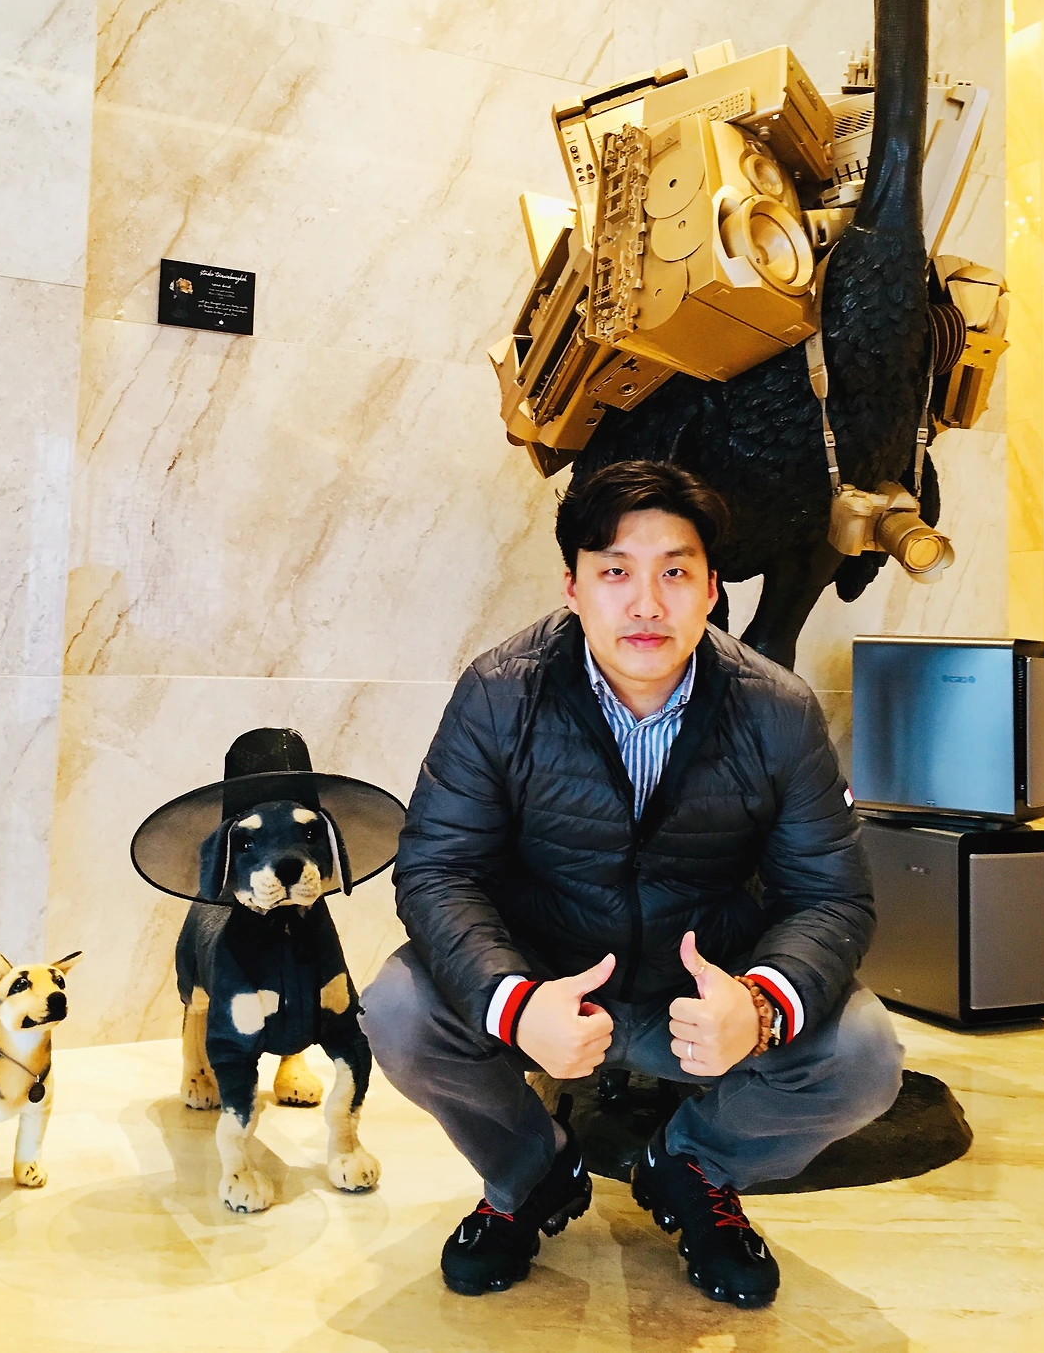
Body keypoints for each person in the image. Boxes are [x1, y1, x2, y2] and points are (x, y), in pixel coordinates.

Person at [360, 459, 903, 1308]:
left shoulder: (778, 710)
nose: (646, 604)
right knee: (397, 1008)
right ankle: (529, 1174)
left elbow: (831, 895)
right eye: (615, 572)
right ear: (572, 588)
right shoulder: (500, 695)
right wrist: (514, 1001)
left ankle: (695, 1166)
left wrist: (759, 1003)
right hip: (549, 979)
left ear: (712, 590)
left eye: (674, 573)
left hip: (698, 996)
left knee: (864, 1056)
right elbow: (439, 869)